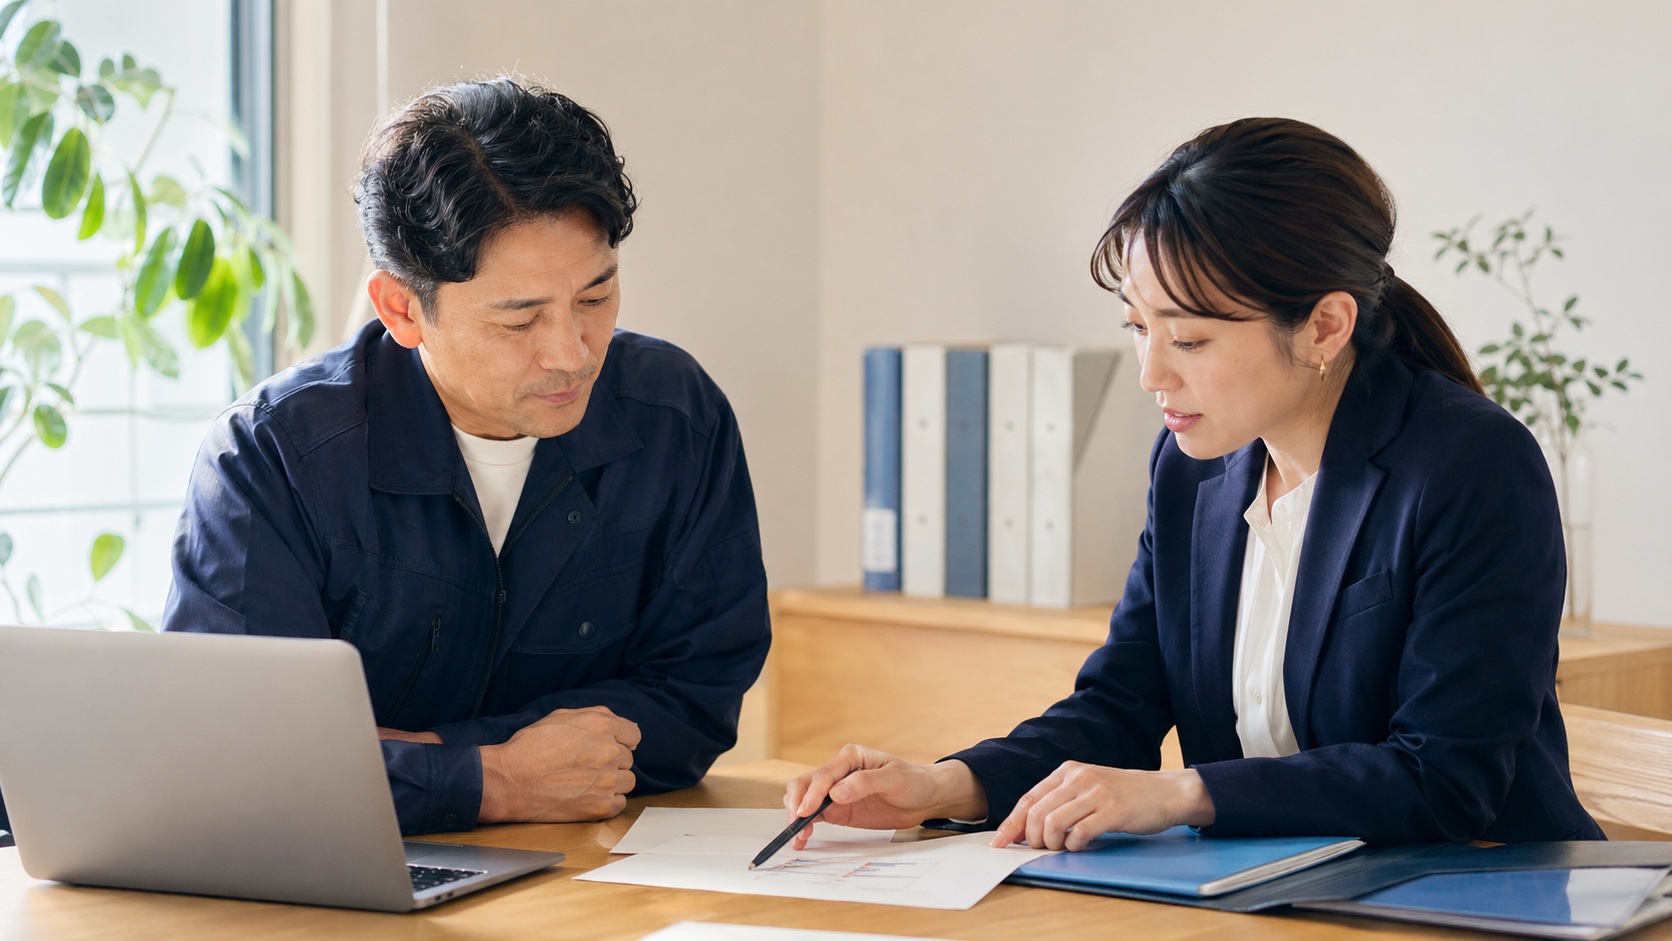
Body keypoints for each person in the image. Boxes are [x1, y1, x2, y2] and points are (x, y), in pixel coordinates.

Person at [786, 117, 1603, 850]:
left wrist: (1185, 791)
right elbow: (1118, 708)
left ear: (1324, 325)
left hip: (1473, 895)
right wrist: (939, 784)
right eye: (1139, 329)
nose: (1151, 374)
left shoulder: (1472, 465)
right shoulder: (1192, 468)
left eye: (1188, 339)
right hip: (1267, 895)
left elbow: (1445, 780)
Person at [162, 77, 771, 835]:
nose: (572, 353)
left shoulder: (677, 415)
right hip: (344, 881)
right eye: (519, 321)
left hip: (590, 866)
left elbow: (695, 697)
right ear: (402, 309)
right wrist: (492, 782)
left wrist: (435, 756)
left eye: (595, 296)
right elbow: (235, 759)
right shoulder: (272, 458)